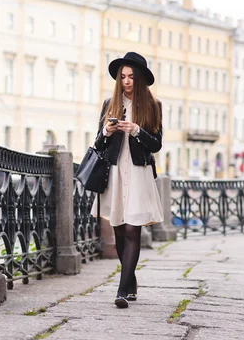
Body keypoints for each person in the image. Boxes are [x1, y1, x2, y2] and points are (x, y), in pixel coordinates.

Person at [91, 51, 164, 309]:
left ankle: (122, 290)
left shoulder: (153, 106)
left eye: (131, 76)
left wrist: (136, 130)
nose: (127, 81)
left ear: (140, 78)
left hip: (138, 172)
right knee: (120, 229)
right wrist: (106, 130)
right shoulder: (110, 104)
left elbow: (156, 144)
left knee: (133, 228)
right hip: (113, 173)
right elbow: (98, 143)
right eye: (123, 77)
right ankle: (130, 279)